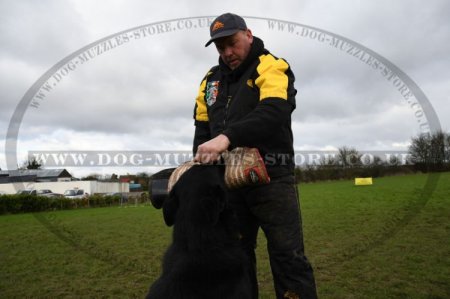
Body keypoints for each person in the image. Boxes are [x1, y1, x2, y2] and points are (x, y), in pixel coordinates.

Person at [192, 13, 318, 299]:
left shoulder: (272, 65)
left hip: (272, 180)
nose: (227, 53)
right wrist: (202, 172)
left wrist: (227, 138)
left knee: (288, 258)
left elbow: (274, 111)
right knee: (235, 258)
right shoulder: (210, 81)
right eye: (220, 48)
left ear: (248, 34)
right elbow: (202, 130)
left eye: (232, 44)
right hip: (229, 185)